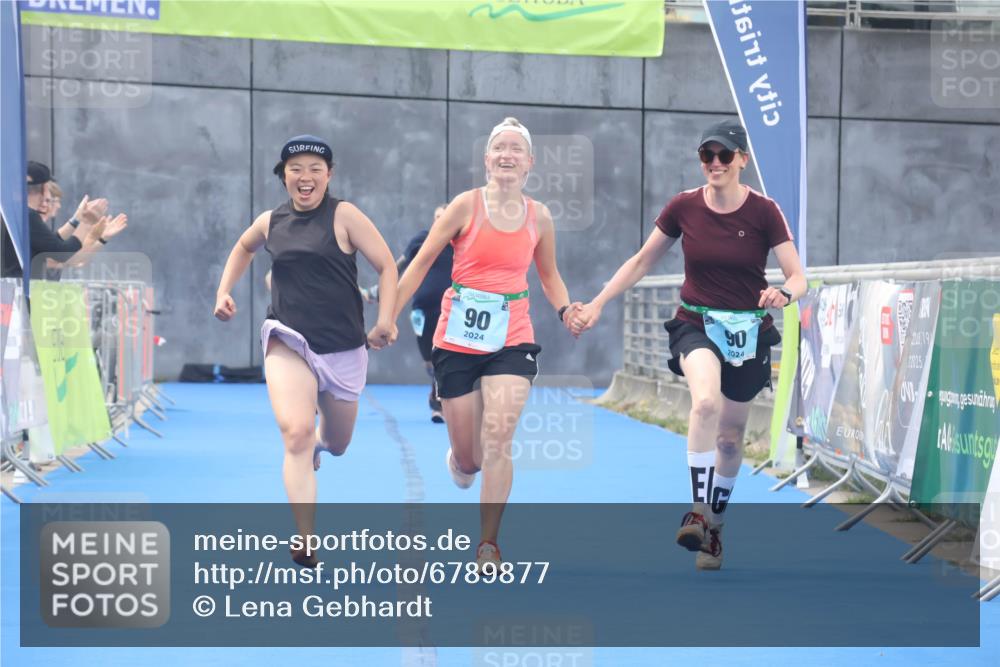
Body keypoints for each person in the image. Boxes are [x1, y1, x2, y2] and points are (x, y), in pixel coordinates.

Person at [573, 119, 806, 570]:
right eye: (706, 155)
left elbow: (799, 276)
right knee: (703, 405)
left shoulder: (764, 211)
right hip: (696, 323)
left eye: (723, 155)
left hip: (748, 328)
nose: (714, 164)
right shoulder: (684, 206)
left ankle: (714, 529)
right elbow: (642, 260)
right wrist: (600, 301)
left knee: (731, 439)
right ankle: (697, 510)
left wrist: (785, 293)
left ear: (742, 159)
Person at [394, 117, 579, 569]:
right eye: (500, 148)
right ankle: (459, 459)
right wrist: (387, 318)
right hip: (457, 339)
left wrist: (566, 309)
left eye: (516, 148)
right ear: (487, 158)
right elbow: (419, 264)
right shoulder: (465, 205)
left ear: (530, 162)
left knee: (499, 436)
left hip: (512, 336)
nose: (507, 155)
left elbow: (549, 275)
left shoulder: (540, 216)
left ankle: (489, 543)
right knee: (471, 458)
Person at [214, 134, 398, 567]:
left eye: (316, 169)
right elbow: (243, 247)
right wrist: (224, 291)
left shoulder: (345, 216)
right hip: (288, 338)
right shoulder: (270, 221)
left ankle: (320, 445)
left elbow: (387, 265)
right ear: (284, 177)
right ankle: (305, 537)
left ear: (328, 176)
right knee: (294, 432)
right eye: (296, 169)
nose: (306, 177)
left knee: (336, 443)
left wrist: (385, 320)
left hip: (343, 349)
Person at [366, 205, 453, 423]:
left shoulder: (460, 242)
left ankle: (439, 404)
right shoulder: (421, 240)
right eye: (437, 217)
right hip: (422, 311)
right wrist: (379, 291)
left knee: (445, 356)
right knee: (430, 359)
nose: (441, 221)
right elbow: (397, 268)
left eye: (445, 218)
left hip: (453, 310)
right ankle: (436, 391)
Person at [0, 162, 113, 278]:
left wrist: (77, 218)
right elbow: (61, 254)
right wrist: (87, 222)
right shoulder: (26, 216)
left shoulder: (11, 214)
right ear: (44, 189)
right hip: (18, 290)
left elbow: (51, 243)